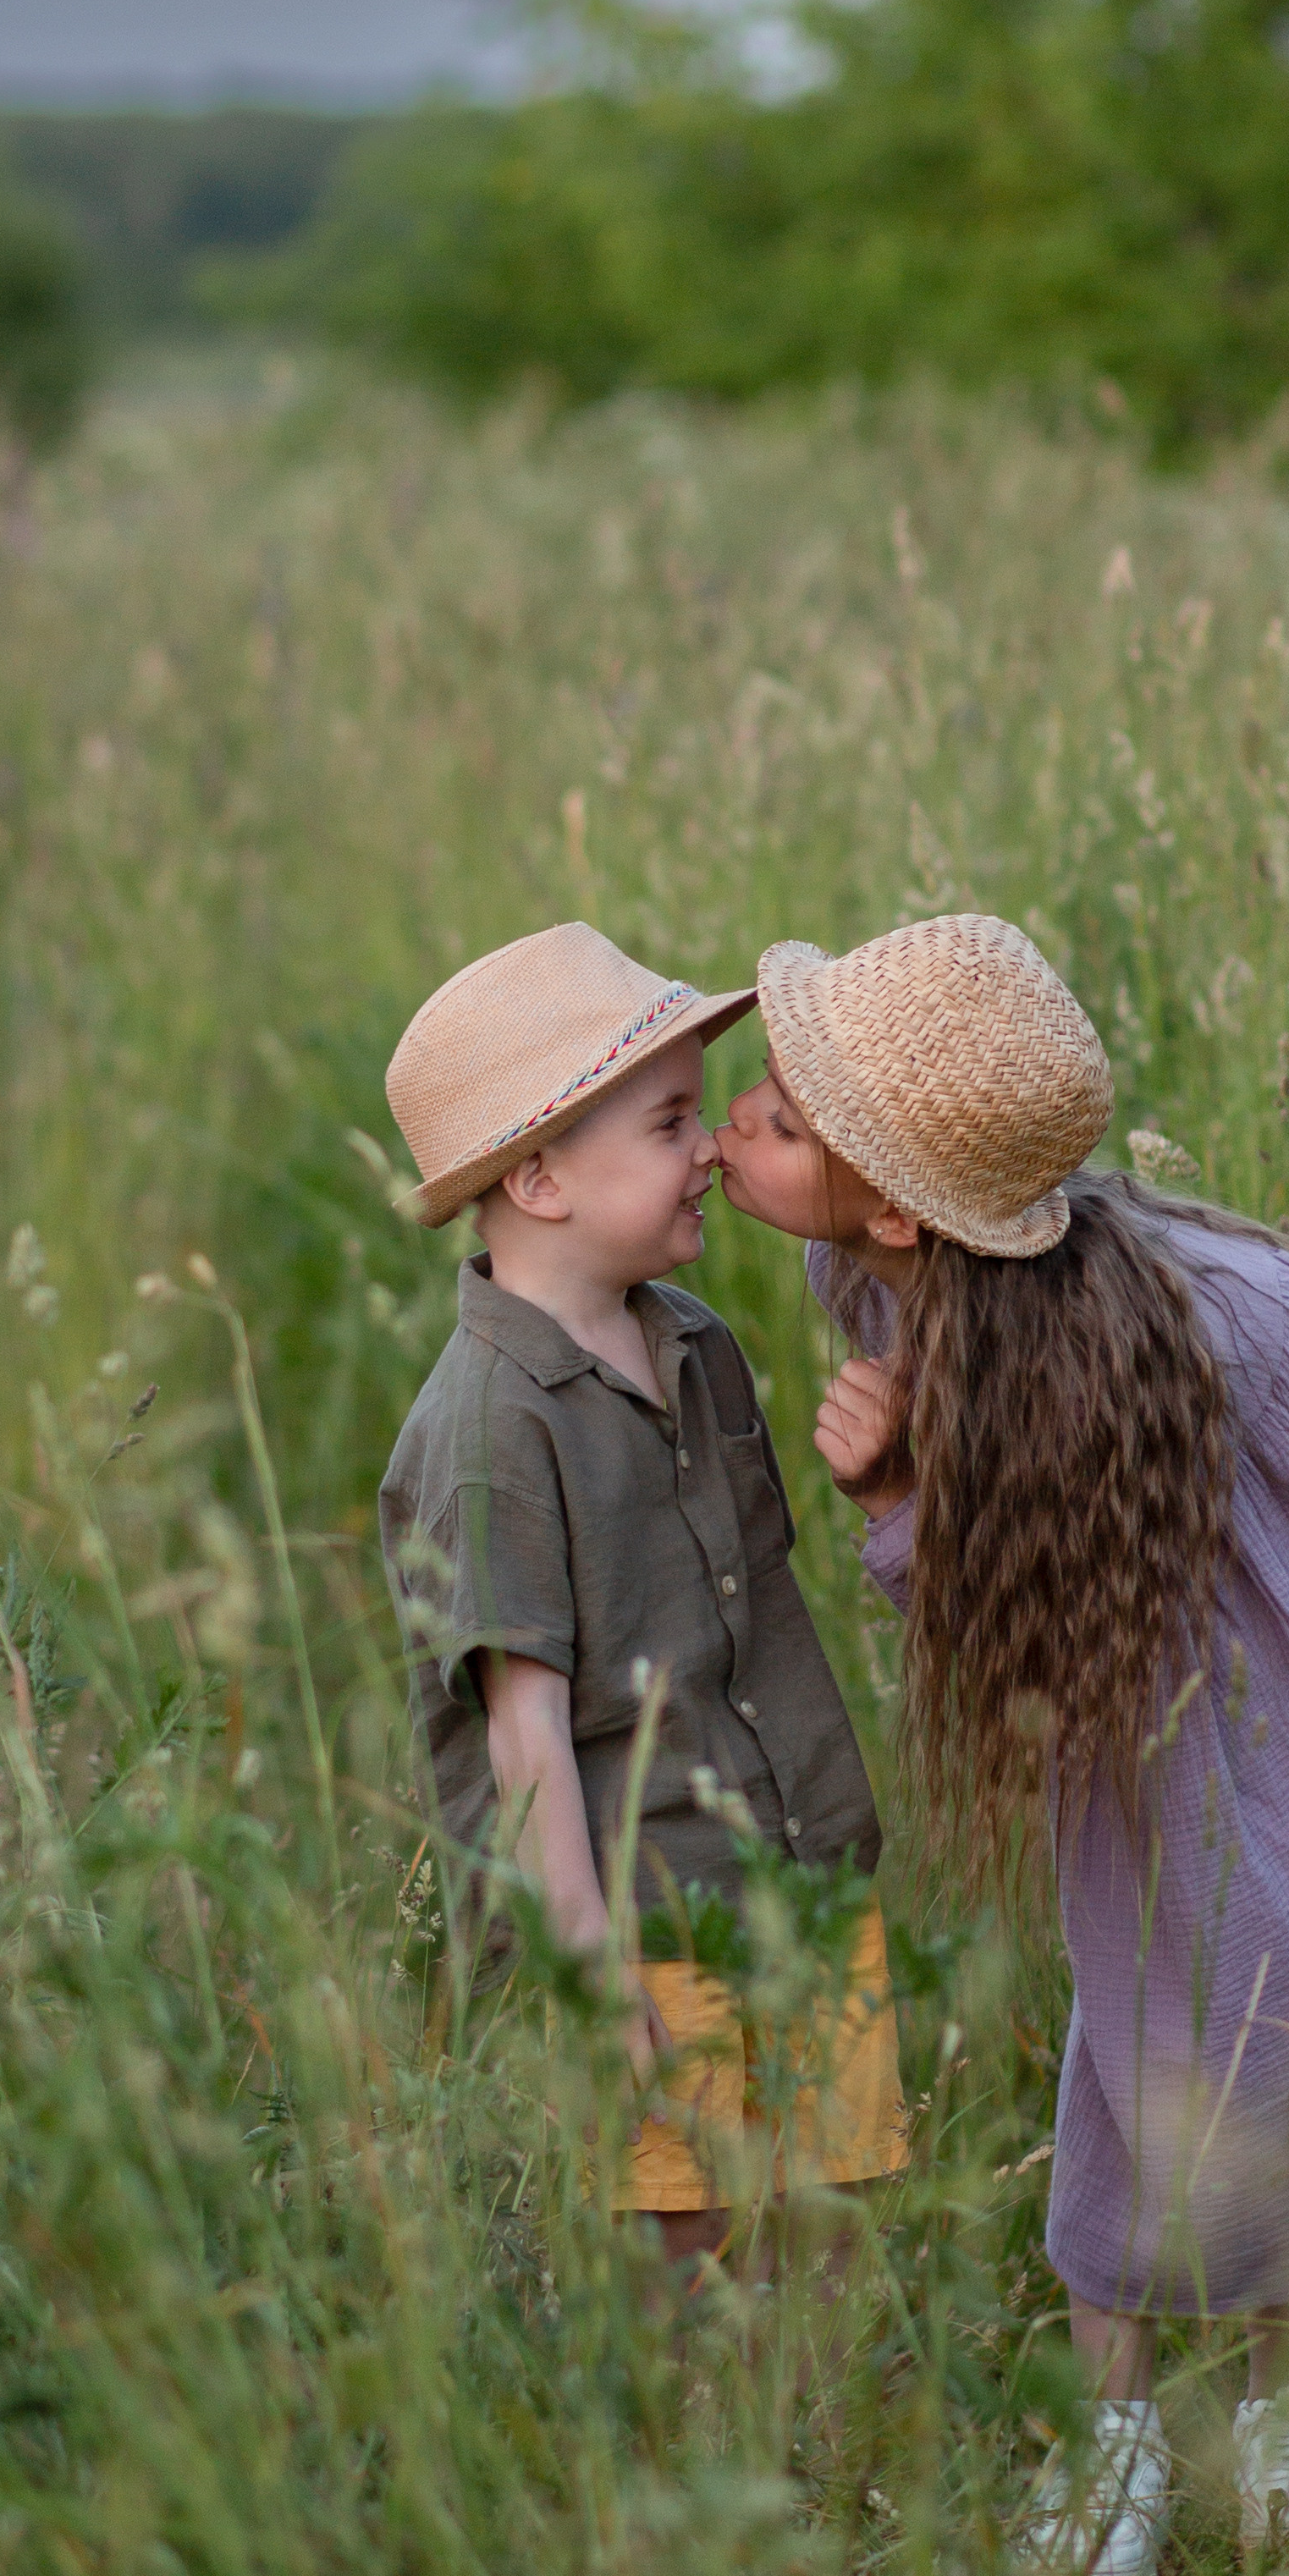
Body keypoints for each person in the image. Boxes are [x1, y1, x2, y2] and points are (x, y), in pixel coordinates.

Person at [714, 910, 1289, 2576]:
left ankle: (1283, 2414)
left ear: (897, 1202)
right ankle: (1110, 2432)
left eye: (775, 1118)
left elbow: (1025, 1624)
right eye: (754, 1096)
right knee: (1148, 2027)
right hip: (1173, 1662)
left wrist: (895, 1509)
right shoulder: (903, 1269)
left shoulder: (1097, 1339)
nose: (741, 1126)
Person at [378, 919, 905, 2265]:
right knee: (690, 2270)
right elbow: (524, 1739)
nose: (714, 1151)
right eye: (672, 1122)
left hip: (792, 1881)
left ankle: (841, 2481)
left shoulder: (697, 1345)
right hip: (649, 1923)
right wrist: (589, 1970)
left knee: (831, 2252)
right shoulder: (491, 1429)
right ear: (543, 1180)